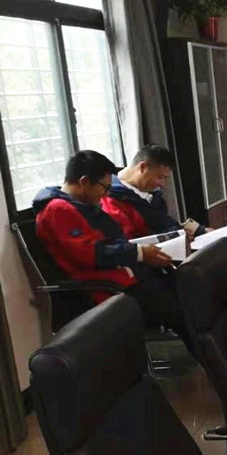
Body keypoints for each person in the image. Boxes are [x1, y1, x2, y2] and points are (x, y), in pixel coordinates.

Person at [33, 151, 186, 336]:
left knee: (187, 289)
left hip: (126, 277)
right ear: (84, 182)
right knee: (183, 308)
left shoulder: (83, 206)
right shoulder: (58, 210)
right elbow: (90, 254)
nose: (106, 194)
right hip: (104, 288)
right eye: (104, 187)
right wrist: (139, 253)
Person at [103, 144, 201, 239]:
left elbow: (163, 221)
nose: (162, 184)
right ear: (142, 167)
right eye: (159, 177)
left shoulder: (152, 194)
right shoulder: (110, 199)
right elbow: (128, 241)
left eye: (165, 178)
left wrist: (198, 230)